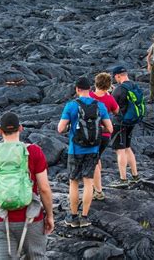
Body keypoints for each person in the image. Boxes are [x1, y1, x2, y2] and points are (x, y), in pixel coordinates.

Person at [0, 112, 54, 259]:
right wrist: (50, 216)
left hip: (1, 219)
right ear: (20, 128)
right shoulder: (34, 152)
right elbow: (44, 189)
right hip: (31, 217)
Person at [58, 77, 113, 227]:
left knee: (74, 182)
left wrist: (72, 128)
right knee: (88, 182)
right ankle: (85, 217)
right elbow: (110, 129)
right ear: (90, 89)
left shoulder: (71, 106)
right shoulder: (100, 106)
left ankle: (73, 217)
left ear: (77, 89)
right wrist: (96, 130)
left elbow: (60, 128)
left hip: (75, 149)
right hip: (93, 149)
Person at [89, 73, 119, 201]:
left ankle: (98, 191)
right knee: (97, 157)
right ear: (108, 85)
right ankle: (96, 185)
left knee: (93, 160)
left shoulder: (89, 96)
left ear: (96, 83)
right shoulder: (110, 99)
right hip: (106, 133)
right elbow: (117, 111)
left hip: (92, 133)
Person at [110, 66, 140, 188]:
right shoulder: (134, 86)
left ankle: (123, 179)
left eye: (115, 77)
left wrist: (111, 93)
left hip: (120, 122)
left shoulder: (118, 90)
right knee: (128, 147)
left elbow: (113, 107)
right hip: (131, 121)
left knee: (120, 150)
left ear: (117, 76)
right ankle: (135, 176)